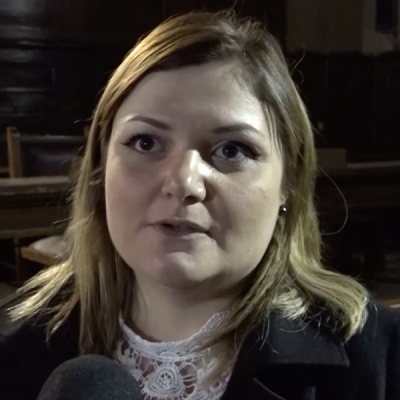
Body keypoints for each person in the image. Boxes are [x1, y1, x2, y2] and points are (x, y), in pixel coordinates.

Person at [1, 10, 399, 400]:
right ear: (100, 169)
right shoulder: (14, 343)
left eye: (232, 149)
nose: (183, 184)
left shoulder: (382, 359)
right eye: (145, 142)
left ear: (287, 185)